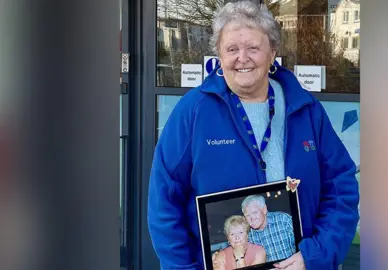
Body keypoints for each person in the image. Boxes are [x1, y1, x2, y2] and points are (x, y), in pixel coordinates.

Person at [147, 1, 360, 269]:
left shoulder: (305, 109)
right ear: (219, 56)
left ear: (272, 53)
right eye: (232, 49)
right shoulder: (193, 112)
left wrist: (317, 254)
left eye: (253, 48)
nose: (242, 58)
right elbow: (164, 204)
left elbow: (341, 186)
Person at [241, 195, 295, 262]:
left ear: (264, 209)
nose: (252, 218)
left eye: (254, 213)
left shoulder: (283, 220)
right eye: (247, 215)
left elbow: (303, 249)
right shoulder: (247, 234)